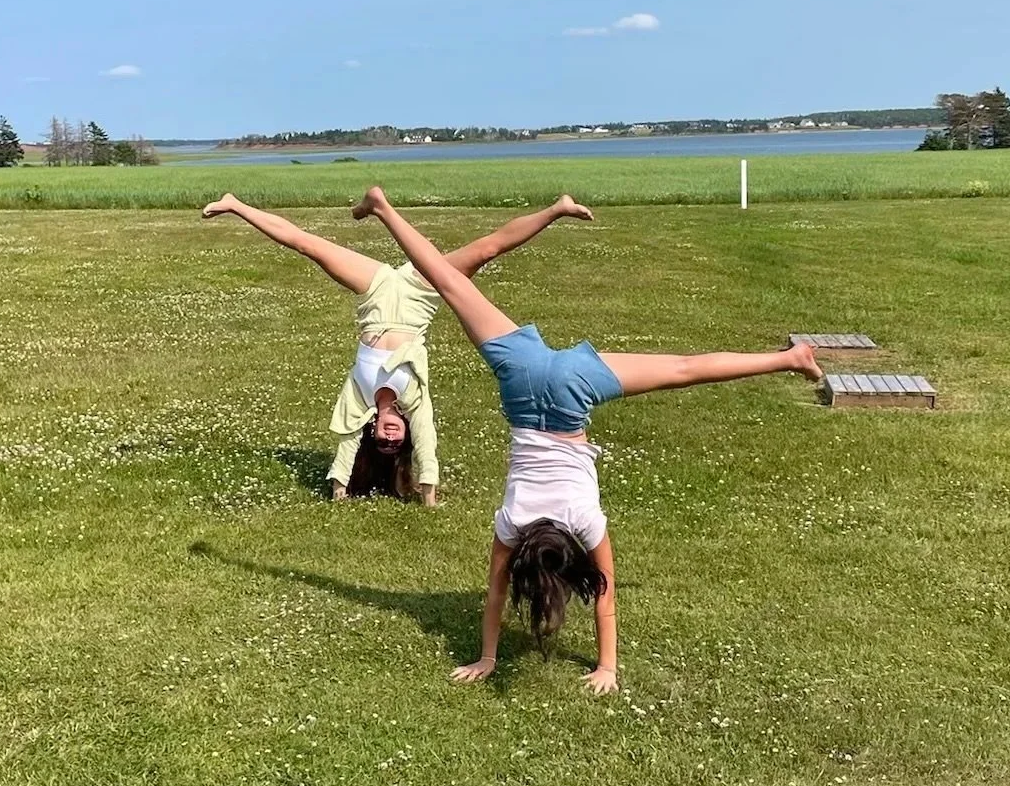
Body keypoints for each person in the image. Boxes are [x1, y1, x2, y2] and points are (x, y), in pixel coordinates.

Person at [351, 186, 823, 692]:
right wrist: (492, 656)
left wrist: (605, 667)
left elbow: (606, 596)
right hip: (525, 381)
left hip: (572, 388)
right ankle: (382, 207)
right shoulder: (511, 524)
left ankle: (789, 359)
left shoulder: (584, 522)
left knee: (684, 370)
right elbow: (494, 593)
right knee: (447, 280)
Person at [201, 192, 594, 504]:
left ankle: (236, 204)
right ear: (404, 431)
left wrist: (339, 490)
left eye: (382, 441)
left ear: (373, 430)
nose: (390, 437)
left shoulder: (360, 398)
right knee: (487, 250)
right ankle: (556, 208)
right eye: (396, 441)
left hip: (373, 292)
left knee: (308, 245)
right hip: (421, 294)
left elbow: (345, 442)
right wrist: (429, 497)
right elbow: (428, 446)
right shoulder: (415, 399)